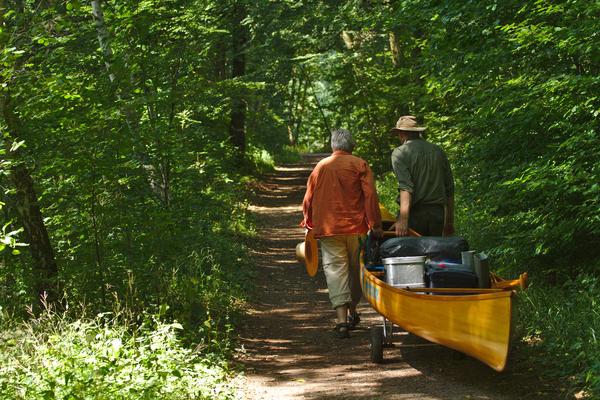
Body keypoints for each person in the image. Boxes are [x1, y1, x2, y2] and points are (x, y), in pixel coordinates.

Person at [301, 129, 383, 339]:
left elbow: (308, 198)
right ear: (352, 146)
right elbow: (370, 195)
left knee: (335, 271)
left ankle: (341, 320)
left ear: (333, 146)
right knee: (356, 271)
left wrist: (309, 223)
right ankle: (352, 311)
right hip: (356, 229)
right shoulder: (359, 164)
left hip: (329, 231)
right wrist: (375, 223)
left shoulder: (321, 166)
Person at [390, 116, 455, 237]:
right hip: (437, 214)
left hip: (415, 215)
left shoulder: (399, 153)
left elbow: (406, 187)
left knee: (416, 254)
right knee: (435, 252)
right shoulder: (438, 151)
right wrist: (449, 221)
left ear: (402, 133)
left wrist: (403, 220)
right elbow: (449, 188)